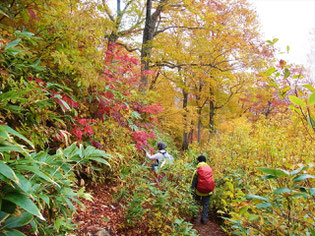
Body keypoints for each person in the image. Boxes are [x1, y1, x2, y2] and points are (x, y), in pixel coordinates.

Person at [191, 155, 215, 224]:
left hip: (198, 191)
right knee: (205, 205)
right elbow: (211, 180)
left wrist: (191, 190)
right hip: (208, 191)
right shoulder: (210, 169)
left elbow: (193, 181)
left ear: (198, 161)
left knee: (196, 203)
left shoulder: (197, 170)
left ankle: (195, 216)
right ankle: (204, 219)